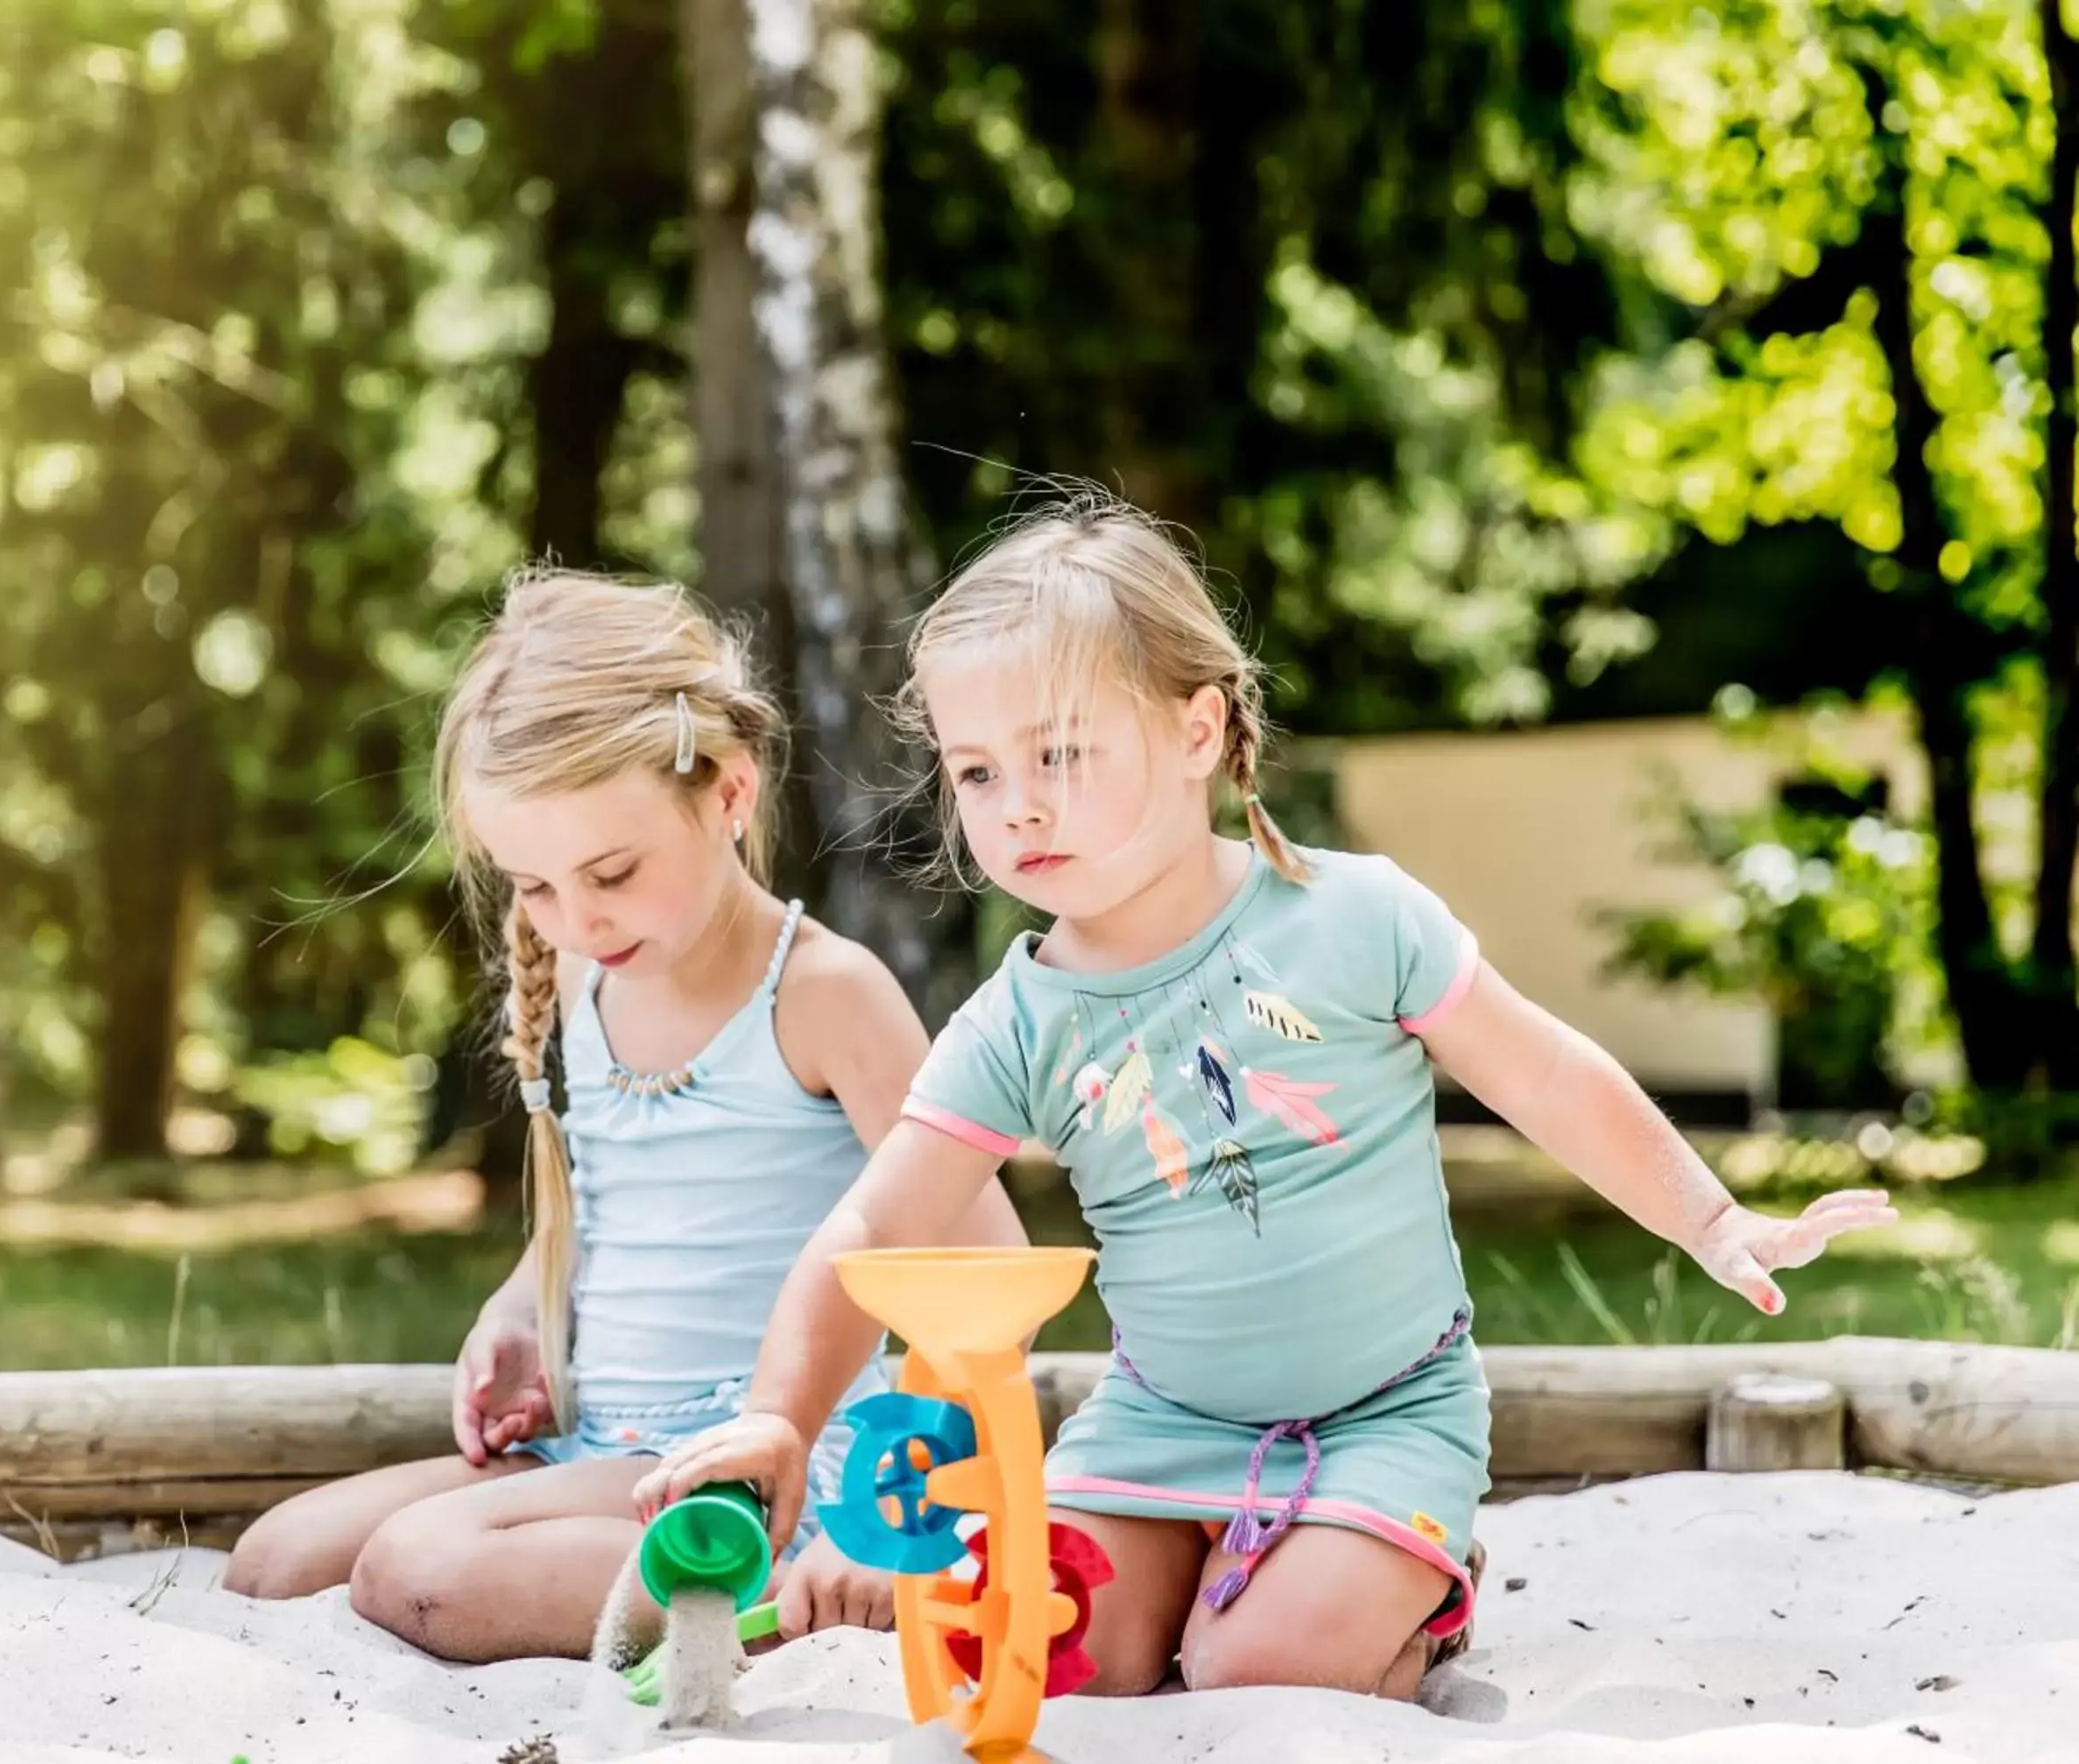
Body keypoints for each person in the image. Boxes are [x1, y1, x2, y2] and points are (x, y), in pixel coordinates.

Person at [635, 492, 1896, 1700]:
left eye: (1060, 753)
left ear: (1197, 732)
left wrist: (1713, 1219)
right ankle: (1232, 1572)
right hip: (1157, 1425)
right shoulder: (1015, 1023)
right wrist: (779, 1419)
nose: (1014, 804)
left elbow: (1547, 1076)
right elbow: (873, 1229)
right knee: (1059, 1655)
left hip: (1387, 1412)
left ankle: (1419, 1586)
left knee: (1255, 1669)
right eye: (974, 772)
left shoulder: (1355, 918)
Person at [222, 568, 1026, 1663]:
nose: (576, 916)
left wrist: (906, 1517)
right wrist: (517, 1310)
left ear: (729, 794)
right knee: (276, 1558)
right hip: (605, 1447)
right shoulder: (589, 986)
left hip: (765, 1462)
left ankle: (785, 1590)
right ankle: (689, 1580)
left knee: (420, 1571)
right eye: (535, 886)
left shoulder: (823, 995)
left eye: (610, 869)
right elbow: (599, 1216)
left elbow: (989, 1269)